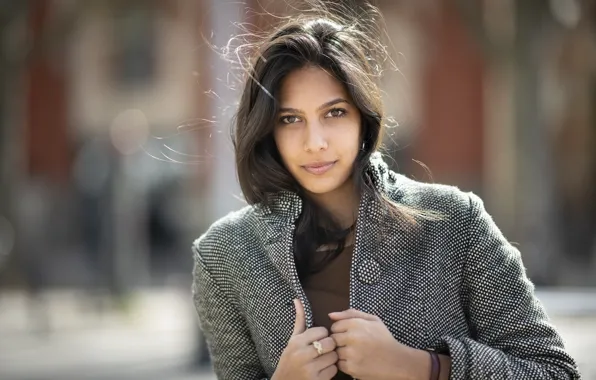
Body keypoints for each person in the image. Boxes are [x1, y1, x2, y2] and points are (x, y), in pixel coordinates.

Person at [191, 3, 581, 379]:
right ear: (267, 130)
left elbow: (553, 371)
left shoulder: (456, 221)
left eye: (335, 113)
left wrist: (418, 367)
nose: (315, 142)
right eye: (290, 119)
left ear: (364, 116)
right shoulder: (223, 256)